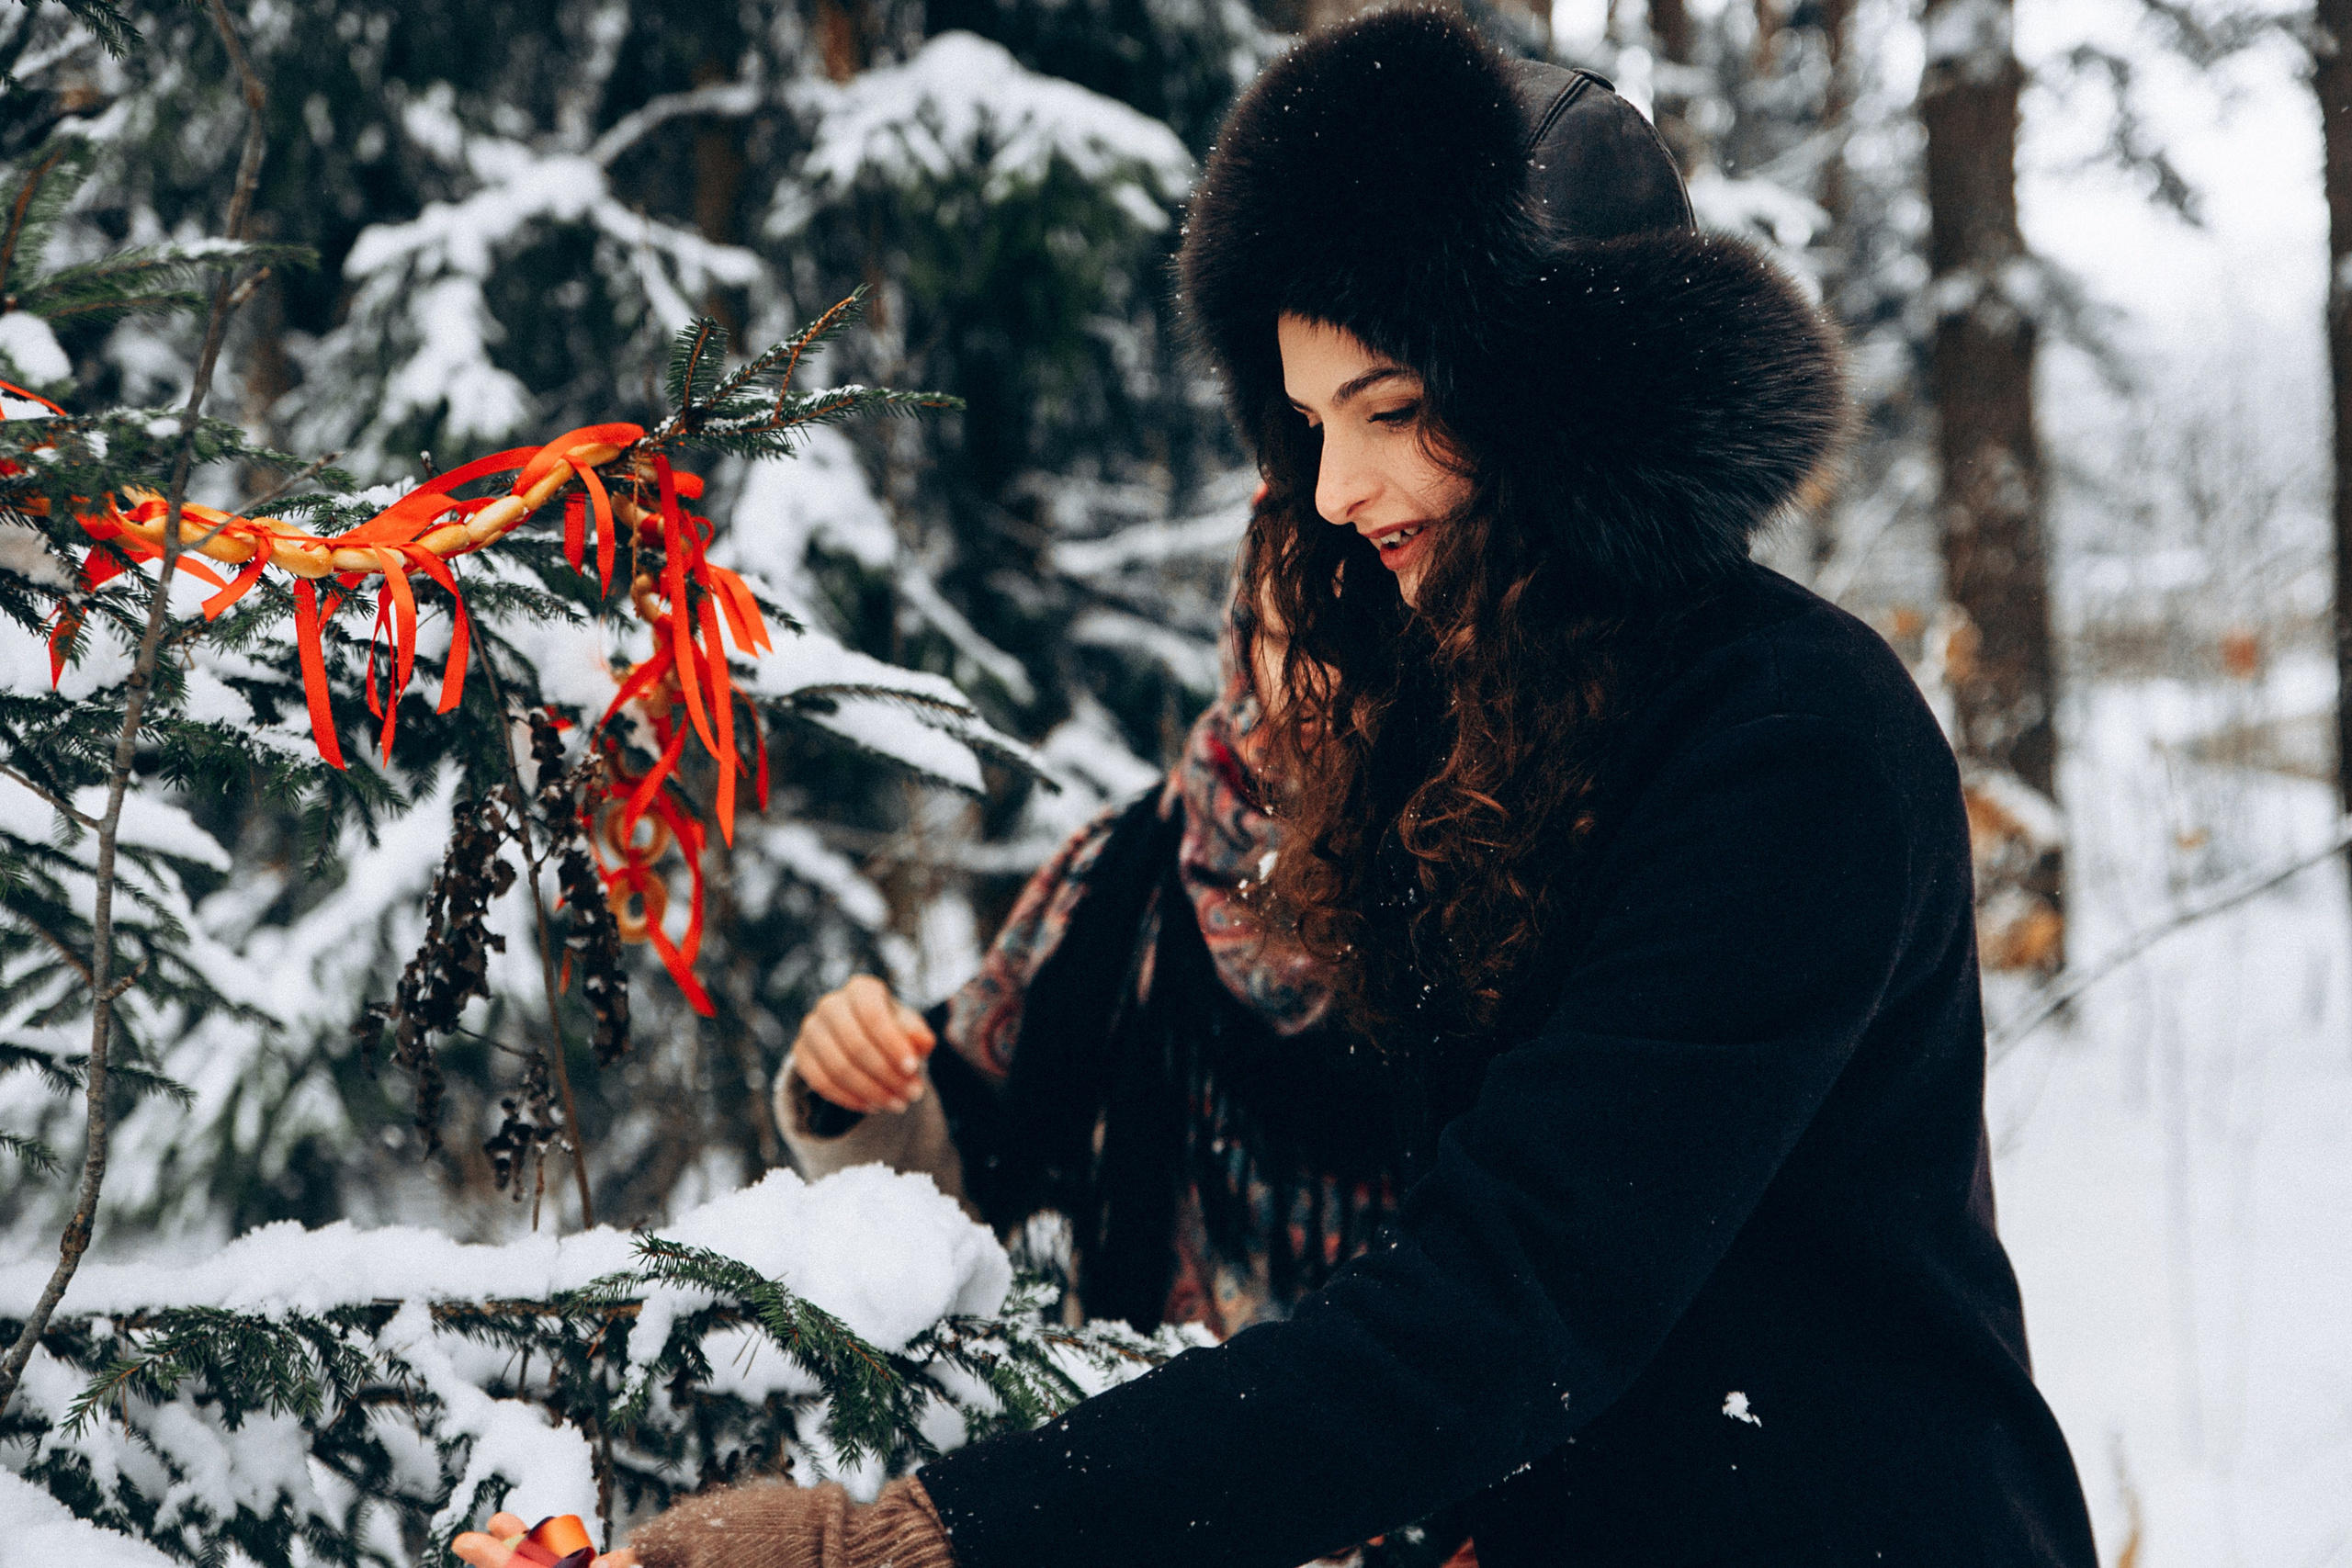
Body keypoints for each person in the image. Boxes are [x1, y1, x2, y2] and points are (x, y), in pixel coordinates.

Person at [458, 8, 2100, 1566]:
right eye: (1309, 419)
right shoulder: (1466, 733)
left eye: (1389, 409)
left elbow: (1508, 1299)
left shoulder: (1786, 738)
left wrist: (913, 1542)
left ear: (1570, 400)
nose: (1336, 484)